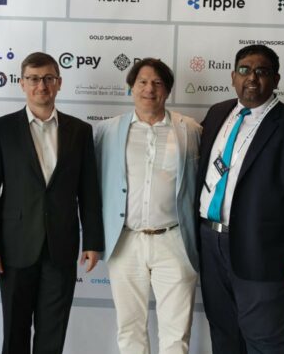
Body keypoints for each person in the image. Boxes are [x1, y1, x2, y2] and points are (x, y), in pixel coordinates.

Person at [197, 45, 284, 354]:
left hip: (265, 251)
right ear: (233, 76)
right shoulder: (217, 114)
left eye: (262, 71)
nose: (252, 78)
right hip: (210, 242)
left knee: (266, 341)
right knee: (224, 333)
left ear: (276, 79)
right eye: (244, 70)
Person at [0, 52, 104, 354]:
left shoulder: (80, 131)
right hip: (14, 248)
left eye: (48, 78)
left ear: (59, 83)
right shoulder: (0, 129)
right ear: (22, 83)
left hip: (61, 247)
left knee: (52, 334)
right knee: (15, 333)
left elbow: (88, 191)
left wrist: (93, 241)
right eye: (33, 79)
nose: (41, 86)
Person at [94, 58, 200, 354]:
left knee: (176, 333)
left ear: (167, 90)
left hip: (175, 240)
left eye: (157, 83)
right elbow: (93, 186)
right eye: (142, 82)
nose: (149, 89)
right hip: (125, 241)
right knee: (130, 329)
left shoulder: (190, 130)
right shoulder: (107, 131)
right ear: (131, 88)